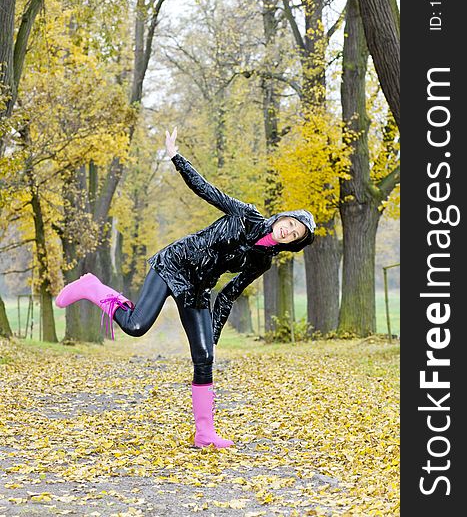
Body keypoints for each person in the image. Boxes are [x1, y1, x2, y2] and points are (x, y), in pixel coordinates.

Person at [55, 127, 316, 448]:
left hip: (199, 288)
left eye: (295, 234)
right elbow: (207, 190)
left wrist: (213, 334)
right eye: (290, 224)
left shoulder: (263, 261)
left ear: (293, 243)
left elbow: (229, 294)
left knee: (205, 355)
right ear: (282, 218)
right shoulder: (246, 214)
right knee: (136, 326)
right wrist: (176, 157)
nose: (288, 231)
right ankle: (93, 287)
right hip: (176, 264)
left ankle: (205, 433)